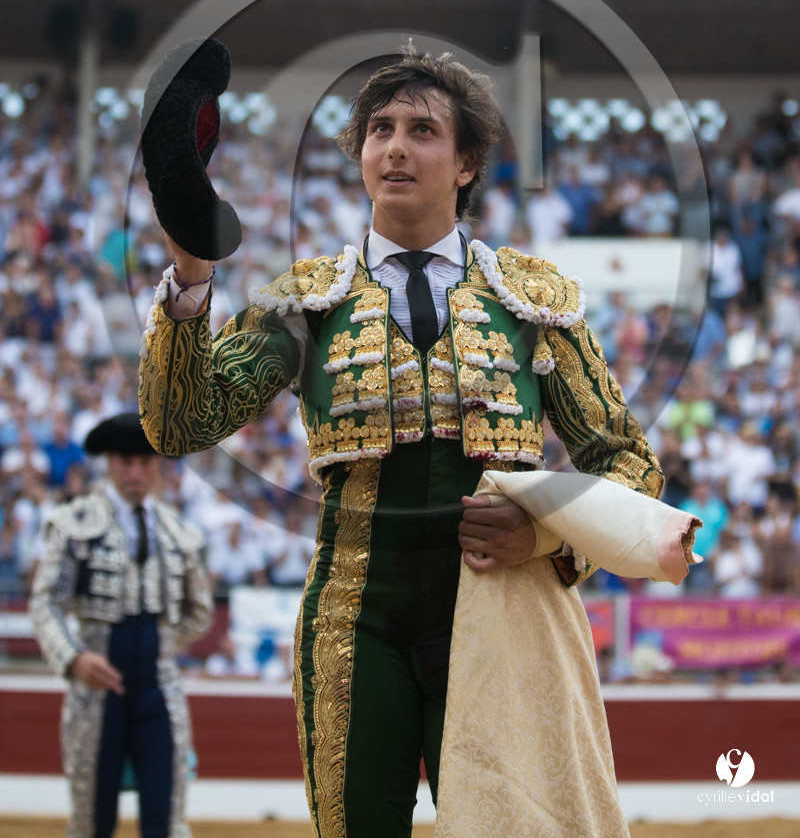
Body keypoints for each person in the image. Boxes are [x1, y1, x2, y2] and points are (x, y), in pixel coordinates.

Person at [138, 43, 663, 837]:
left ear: (466, 163)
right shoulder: (306, 302)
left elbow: (629, 459)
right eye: (379, 128)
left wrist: (547, 531)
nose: (394, 146)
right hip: (356, 620)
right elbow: (181, 424)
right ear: (359, 158)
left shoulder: (533, 303)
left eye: (422, 129)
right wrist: (190, 280)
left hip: (498, 613)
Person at [30, 413, 214, 838]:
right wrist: (73, 658)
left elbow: (199, 612)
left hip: (158, 691)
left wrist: (162, 643)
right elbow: (46, 602)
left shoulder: (178, 531)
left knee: (164, 820)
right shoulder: (72, 524)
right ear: (109, 463)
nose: (135, 473)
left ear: (158, 466)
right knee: (93, 822)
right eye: (125, 462)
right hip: (95, 692)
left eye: (145, 462)